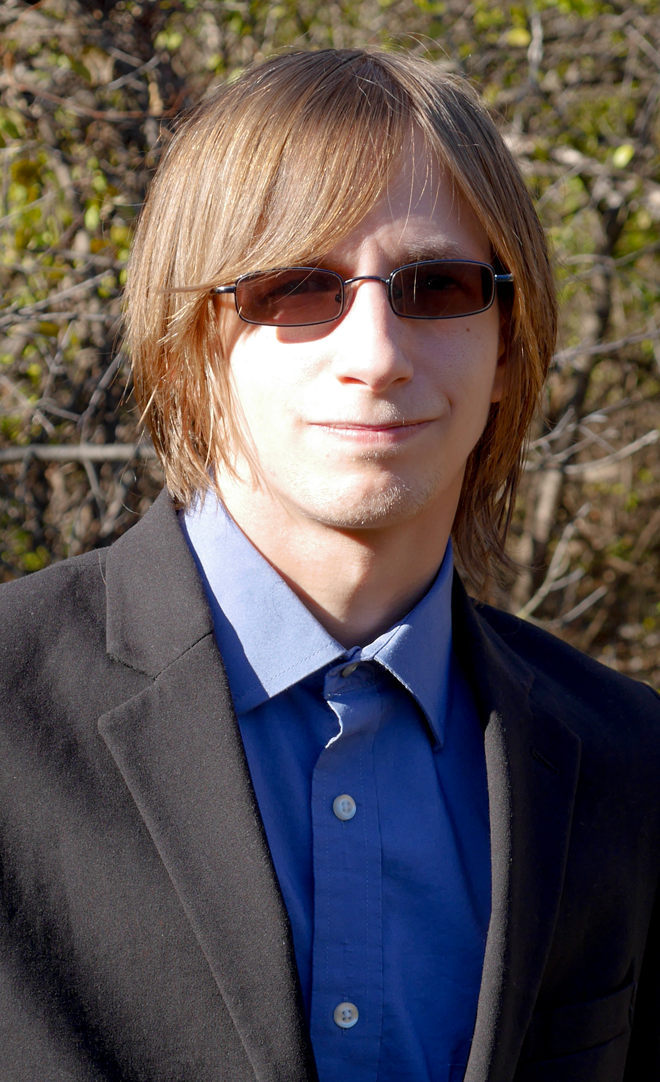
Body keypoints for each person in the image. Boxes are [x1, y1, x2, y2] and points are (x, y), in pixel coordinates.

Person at [0, 47, 659, 1082]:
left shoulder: (628, 761)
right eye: (296, 286)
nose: (377, 350)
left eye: (435, 286)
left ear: (507, 343)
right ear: (190, 337)